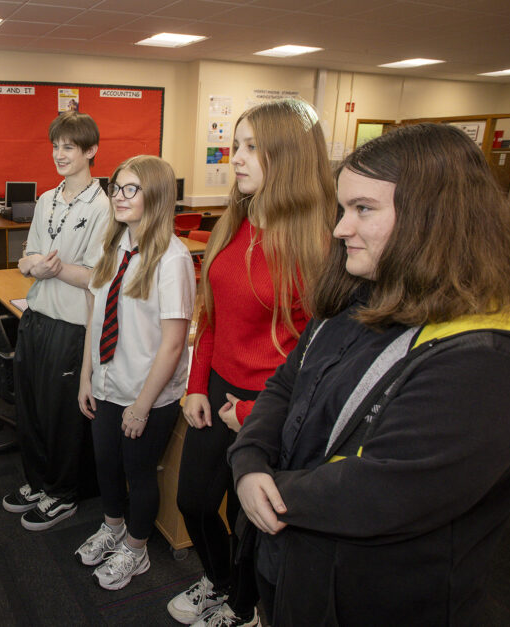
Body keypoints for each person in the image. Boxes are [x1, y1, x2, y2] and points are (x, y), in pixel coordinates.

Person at [229, 122, 510, 626]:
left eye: (363, 209)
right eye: (343, 208)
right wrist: (249, 457)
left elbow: (383, 491)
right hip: (295, 568)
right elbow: (290, 383)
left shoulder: (491, 358)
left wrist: (262, 486)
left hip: (371, 598)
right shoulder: (363, 291)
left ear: (433, 219)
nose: (339, 229)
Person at [168, 99, 335, 627]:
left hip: (268, 405)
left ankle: (240, 605)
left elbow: (318, 359)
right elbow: (210, 314)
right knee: (194, 501)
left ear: (285, 156)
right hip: (217, 387)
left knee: (249, 523)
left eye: (250, 148)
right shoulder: (233, 222)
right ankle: (217, 582)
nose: (234, 159)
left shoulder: (317, 245)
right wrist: (197, 384)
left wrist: (258, 414)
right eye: (235, 146)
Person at [74, 155, 195, 590]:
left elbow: (174, 342)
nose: (119, 197)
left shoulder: (172, 259)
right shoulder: (114, 245)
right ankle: (113, 527)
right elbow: (95, 317)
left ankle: (137, 549)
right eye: (116, 188)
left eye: (131, 189)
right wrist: (87, 376)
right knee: (106, 464)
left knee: (139, 472)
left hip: (147, 393)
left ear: (157, 197)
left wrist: (142, 406)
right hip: (107, 382)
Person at [2, 112, 109, 531]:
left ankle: (62, 492)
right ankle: (38, 481)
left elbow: (99, 276)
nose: (59, 154)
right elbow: (26, 257)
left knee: (62, 415)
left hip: (71, 326)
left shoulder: (103, 207)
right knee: (30, 407)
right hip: (36, 318)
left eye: (69, 147)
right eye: (55, 146)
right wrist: (31, 264)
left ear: (91, 151)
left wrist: (55, 269)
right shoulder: (47, 199)